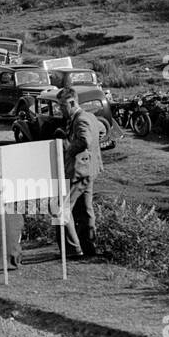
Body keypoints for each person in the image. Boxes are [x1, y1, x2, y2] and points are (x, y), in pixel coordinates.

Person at [57, 86, 103, 259]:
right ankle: (90, 248)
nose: (60, 109)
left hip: (79, 172)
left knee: (61, 209)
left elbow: (84, 140)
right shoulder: (90, 116)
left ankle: (73, 249)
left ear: (72, 102)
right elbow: (102, 131)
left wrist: (68, 147)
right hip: (89, 170)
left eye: (62, 106)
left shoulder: (80, 119)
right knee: (85, 210)